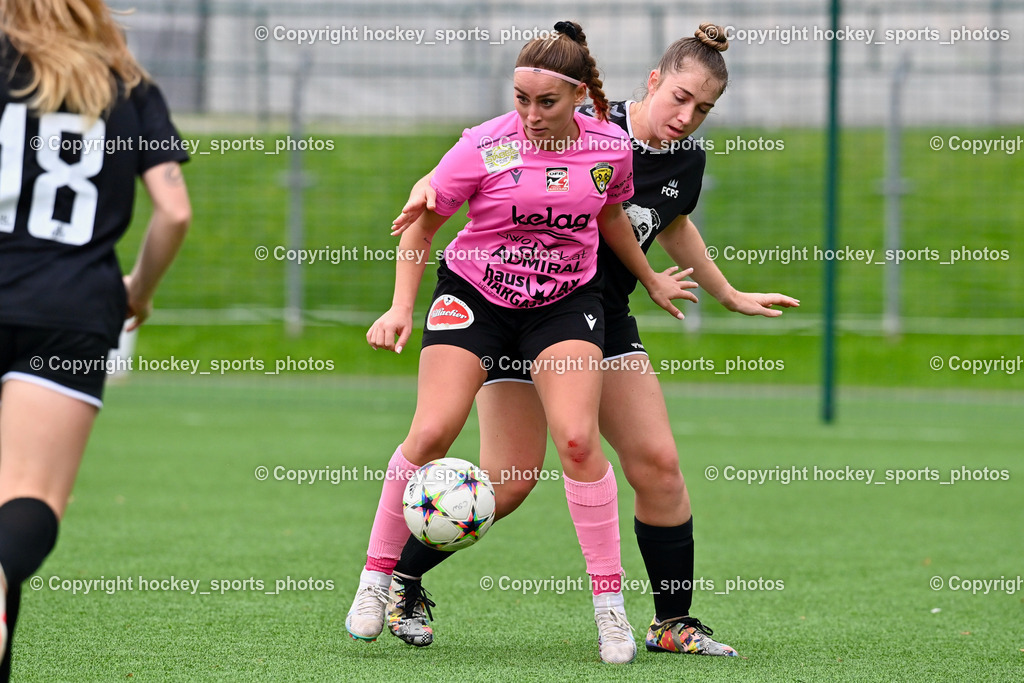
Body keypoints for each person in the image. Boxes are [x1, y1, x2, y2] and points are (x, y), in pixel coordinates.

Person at [387, 23, 799, 658]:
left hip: (602, 322)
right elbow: (492, 155)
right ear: (653, 81)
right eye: (680, 98)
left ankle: (672, 623)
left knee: (658, 466)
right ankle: (401, 575)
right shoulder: (586, 123)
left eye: (704, 109)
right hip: (524, 310)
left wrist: (727, 294)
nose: (687, 117)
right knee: (514, 478)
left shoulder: (682, 157)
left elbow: (675, 222)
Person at [346, 21, 695, 664]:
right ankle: (377, 581)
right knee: (431, 435)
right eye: (520, 98)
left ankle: (611, 612)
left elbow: (612, 215)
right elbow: (421, 224)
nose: (531, 114)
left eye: (546, 102)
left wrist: (648, 279)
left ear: (575, 95)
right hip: (475, 296)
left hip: (564, 304)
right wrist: (399, 307)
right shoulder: (486, 144)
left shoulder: (610, 147)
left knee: (576, 441)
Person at [0, 1, 191, 678]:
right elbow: (174, 210)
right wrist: (137, 289)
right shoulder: (125, 84)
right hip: (72, 308)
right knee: (24, 495)